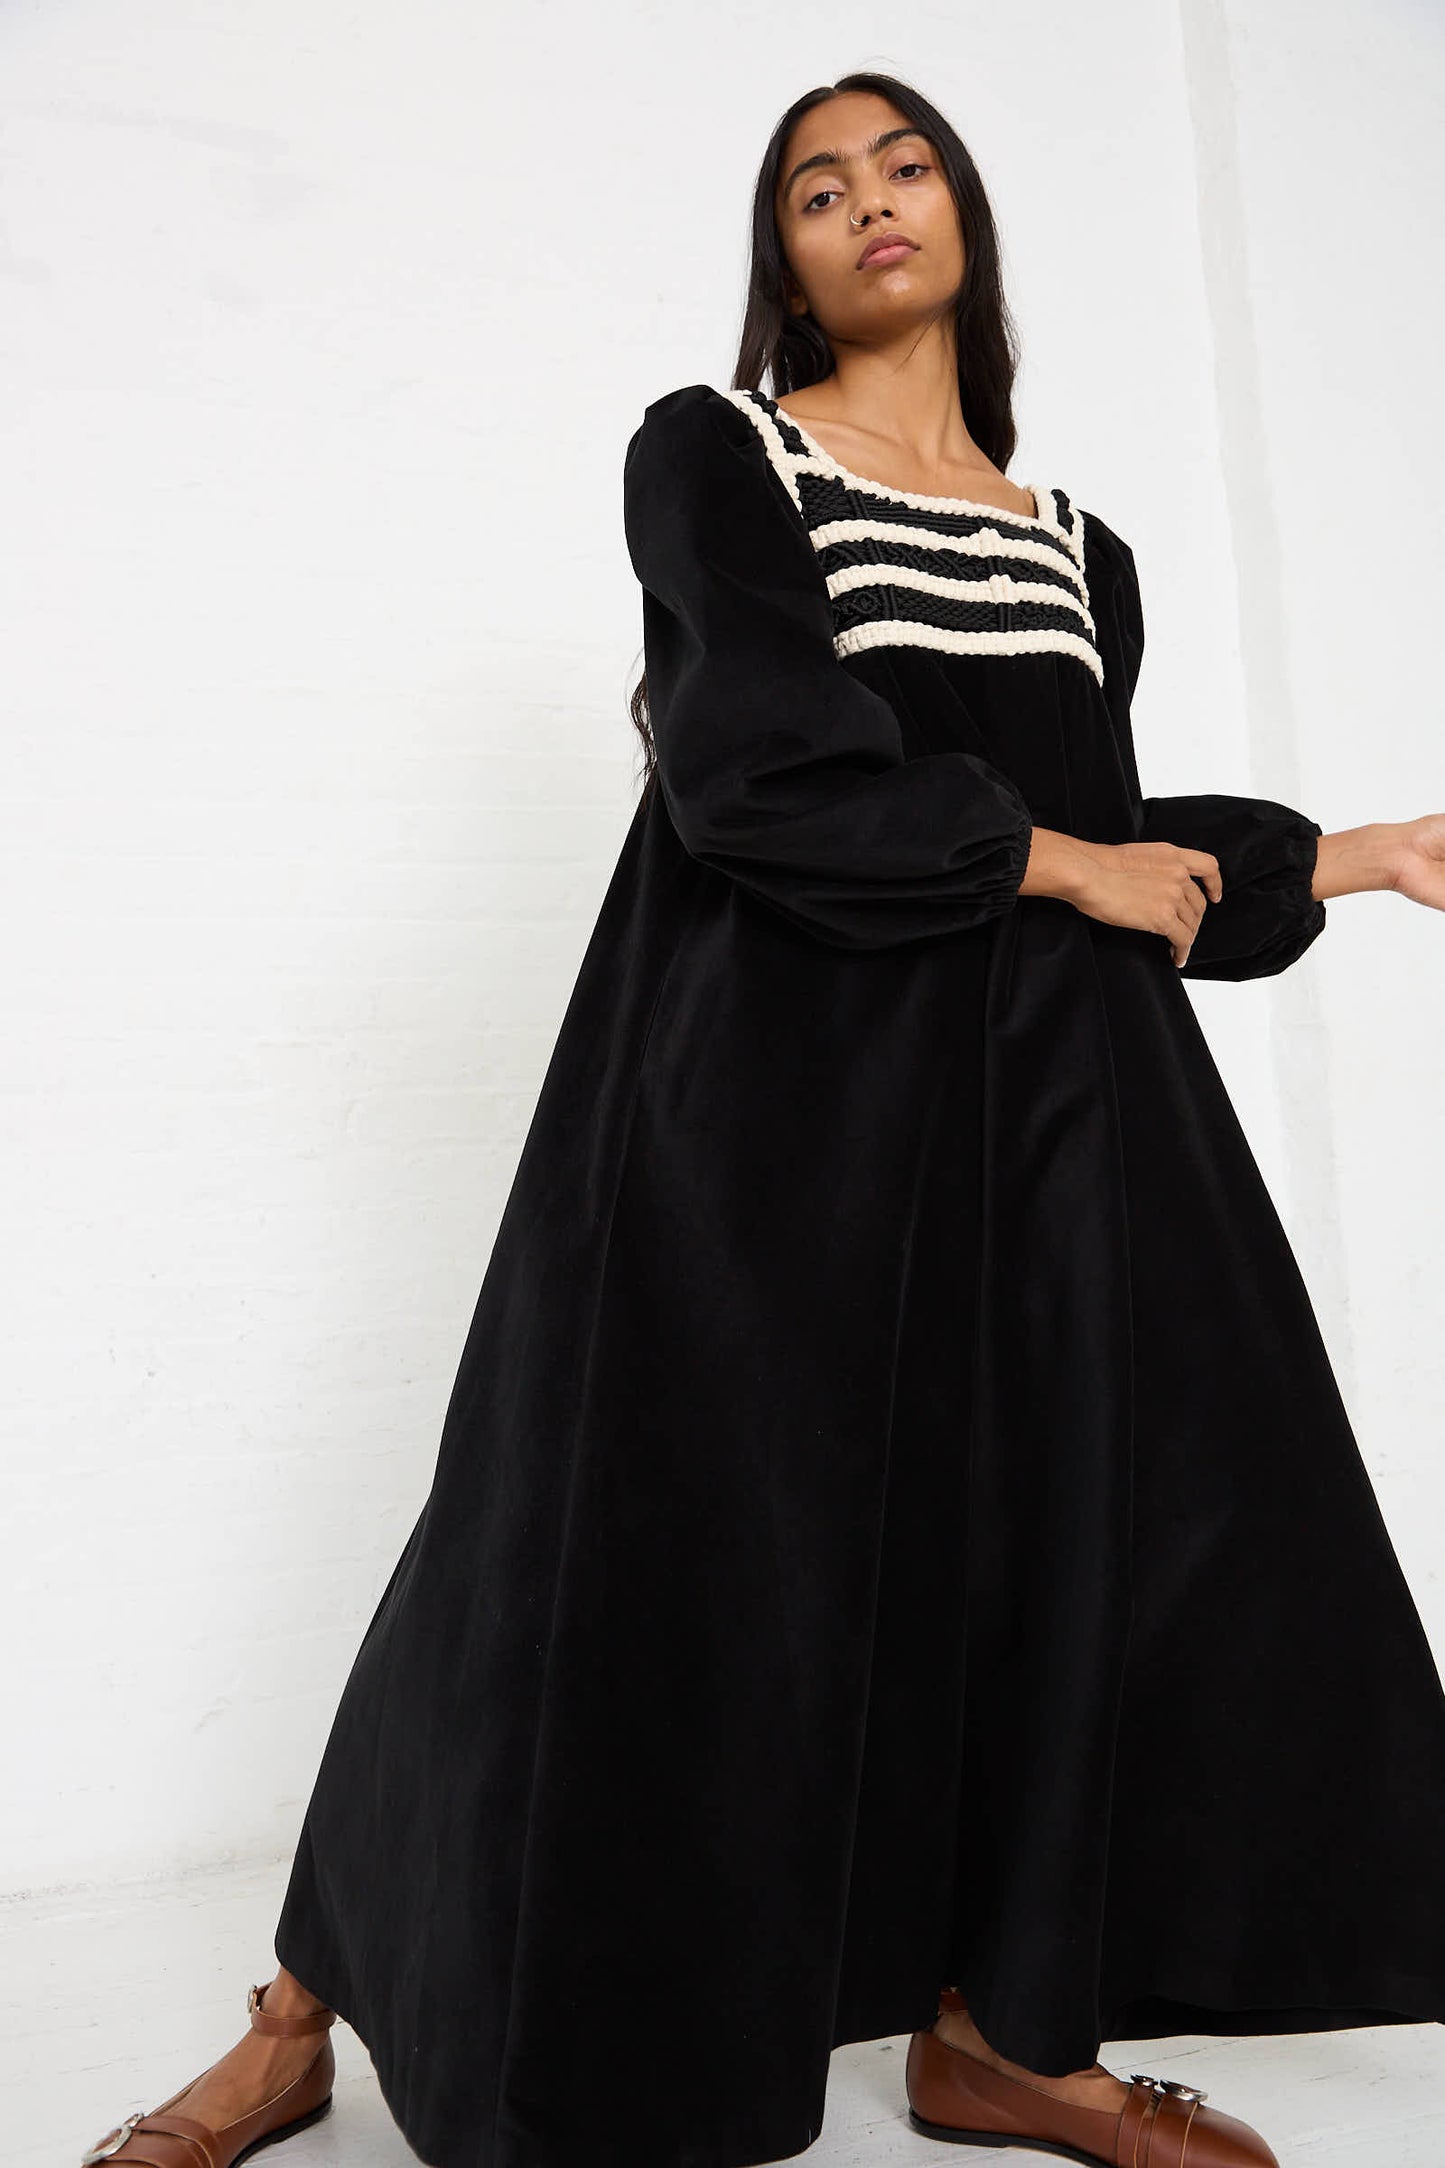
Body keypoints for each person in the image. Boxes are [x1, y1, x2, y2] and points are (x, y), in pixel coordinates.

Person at [80, 68, 1445, 2168]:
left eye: (903, 168)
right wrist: (1057, 863)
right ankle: (297, 2013)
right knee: (565, 1545)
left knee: (1056, 1546)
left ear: (967, 216)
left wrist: (1346, 852)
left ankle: (1009, 2031)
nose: (867, 204)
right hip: (750, 1117)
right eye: (818, 188)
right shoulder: (723, 457)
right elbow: (755, 767)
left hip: (1036, 1137)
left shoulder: (1086, 547)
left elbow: (1104, 845)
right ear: (781, 255)